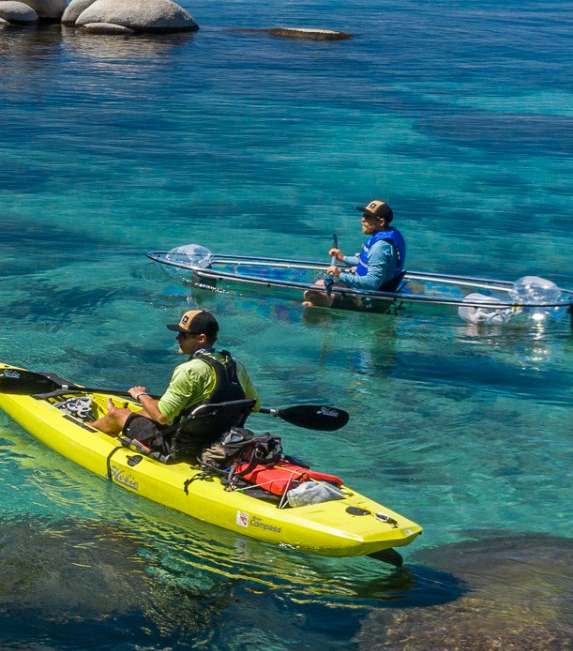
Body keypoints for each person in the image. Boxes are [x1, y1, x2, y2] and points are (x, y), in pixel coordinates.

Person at [88, 309, 261, 464]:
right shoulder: (236, 365)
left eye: (183, 335)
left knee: (116, 414)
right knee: (145, 410)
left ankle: (88, 429)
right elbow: (255, 405)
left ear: (201, 338)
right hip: (219, 441)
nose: (177, 338)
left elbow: (162, 417)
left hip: (179, 448)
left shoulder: (188, 370)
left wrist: (139, 395)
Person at [303, 199, 406, 307]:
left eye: (368, 217)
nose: (362, 219)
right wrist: (343, 258)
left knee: (314, 292)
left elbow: (372, 283)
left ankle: (318, 308)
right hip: (363, 291)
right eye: (364, 215)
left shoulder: (379, 248)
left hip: (366, 299)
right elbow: (368, 261)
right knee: (318, 287)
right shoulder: (382, 237)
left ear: (381, 222)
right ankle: (317, 304)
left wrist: (340, 275)